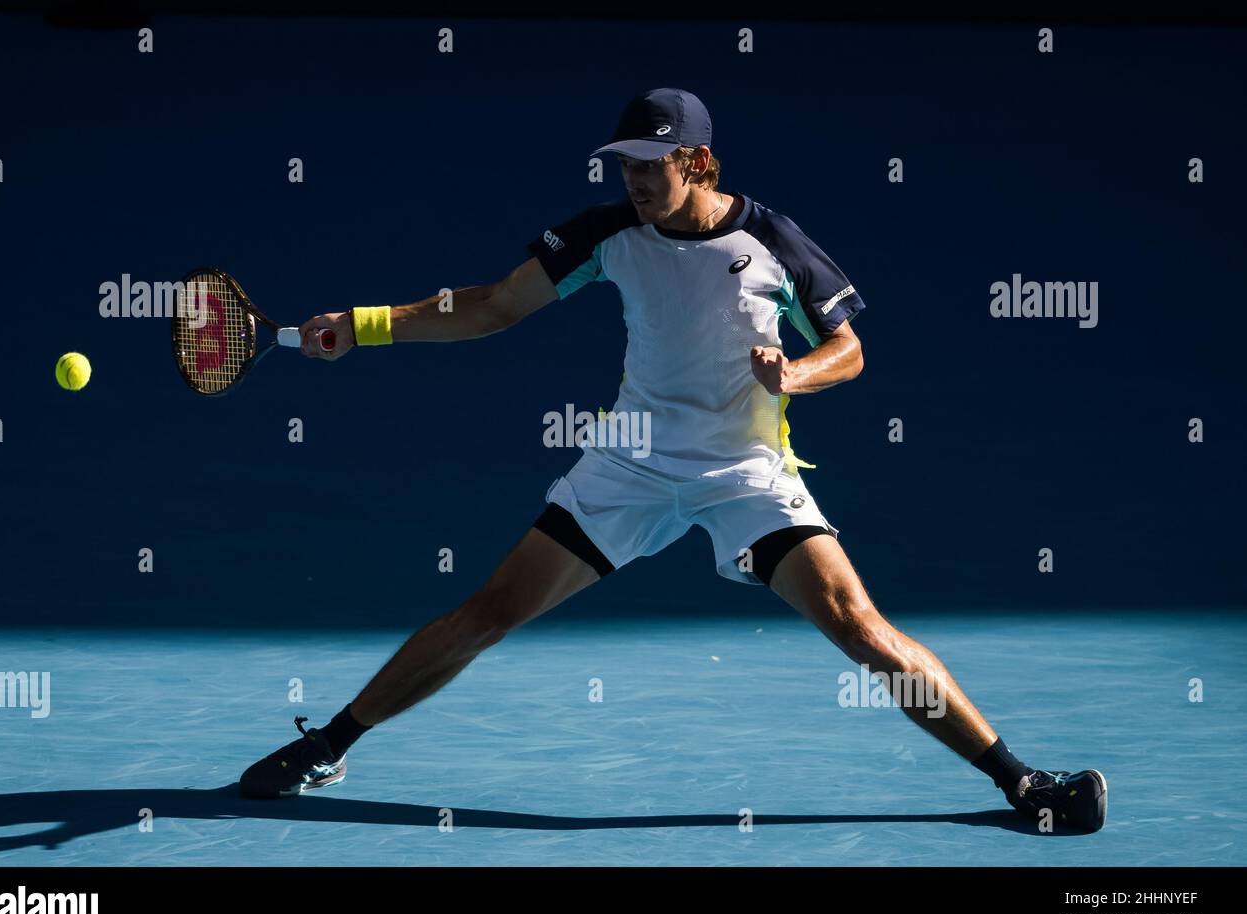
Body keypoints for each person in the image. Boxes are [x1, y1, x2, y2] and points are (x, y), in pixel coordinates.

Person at [239, 88, 1106, 833]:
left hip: (746, 471)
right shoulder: (606, 235)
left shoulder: (773, 240)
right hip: (632, 464)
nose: (634, 182)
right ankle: (330, 744)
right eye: (625, 168)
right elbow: (495, 305)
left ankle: (1021, 784)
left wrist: (796, 372)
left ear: (697, 160)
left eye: (650, 166)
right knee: (493, 607)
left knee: (855, 621)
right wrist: (363, 323)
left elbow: (851, 349)